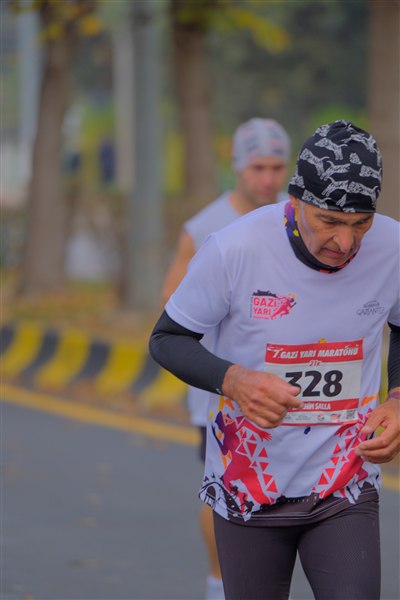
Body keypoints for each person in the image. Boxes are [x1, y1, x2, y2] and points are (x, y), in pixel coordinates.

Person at [150, 119, 400, 600]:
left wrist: (397, 400)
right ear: (297, 199)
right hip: (250, 482)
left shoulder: (392, 247)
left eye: (360, 224)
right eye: (329, 221)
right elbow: (167, 338)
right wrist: (234, 380)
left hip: (343, 482)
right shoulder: (235, 248)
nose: (345, 243)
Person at [161, 118, 291, 600]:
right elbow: (171, 307)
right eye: (258, 167)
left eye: (277, 167)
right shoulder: (203, 227)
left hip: (284, 379)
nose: (268, 179)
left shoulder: (300, 218)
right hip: (219, 385)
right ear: (237, 166)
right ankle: (219, 583)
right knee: (222, 485)